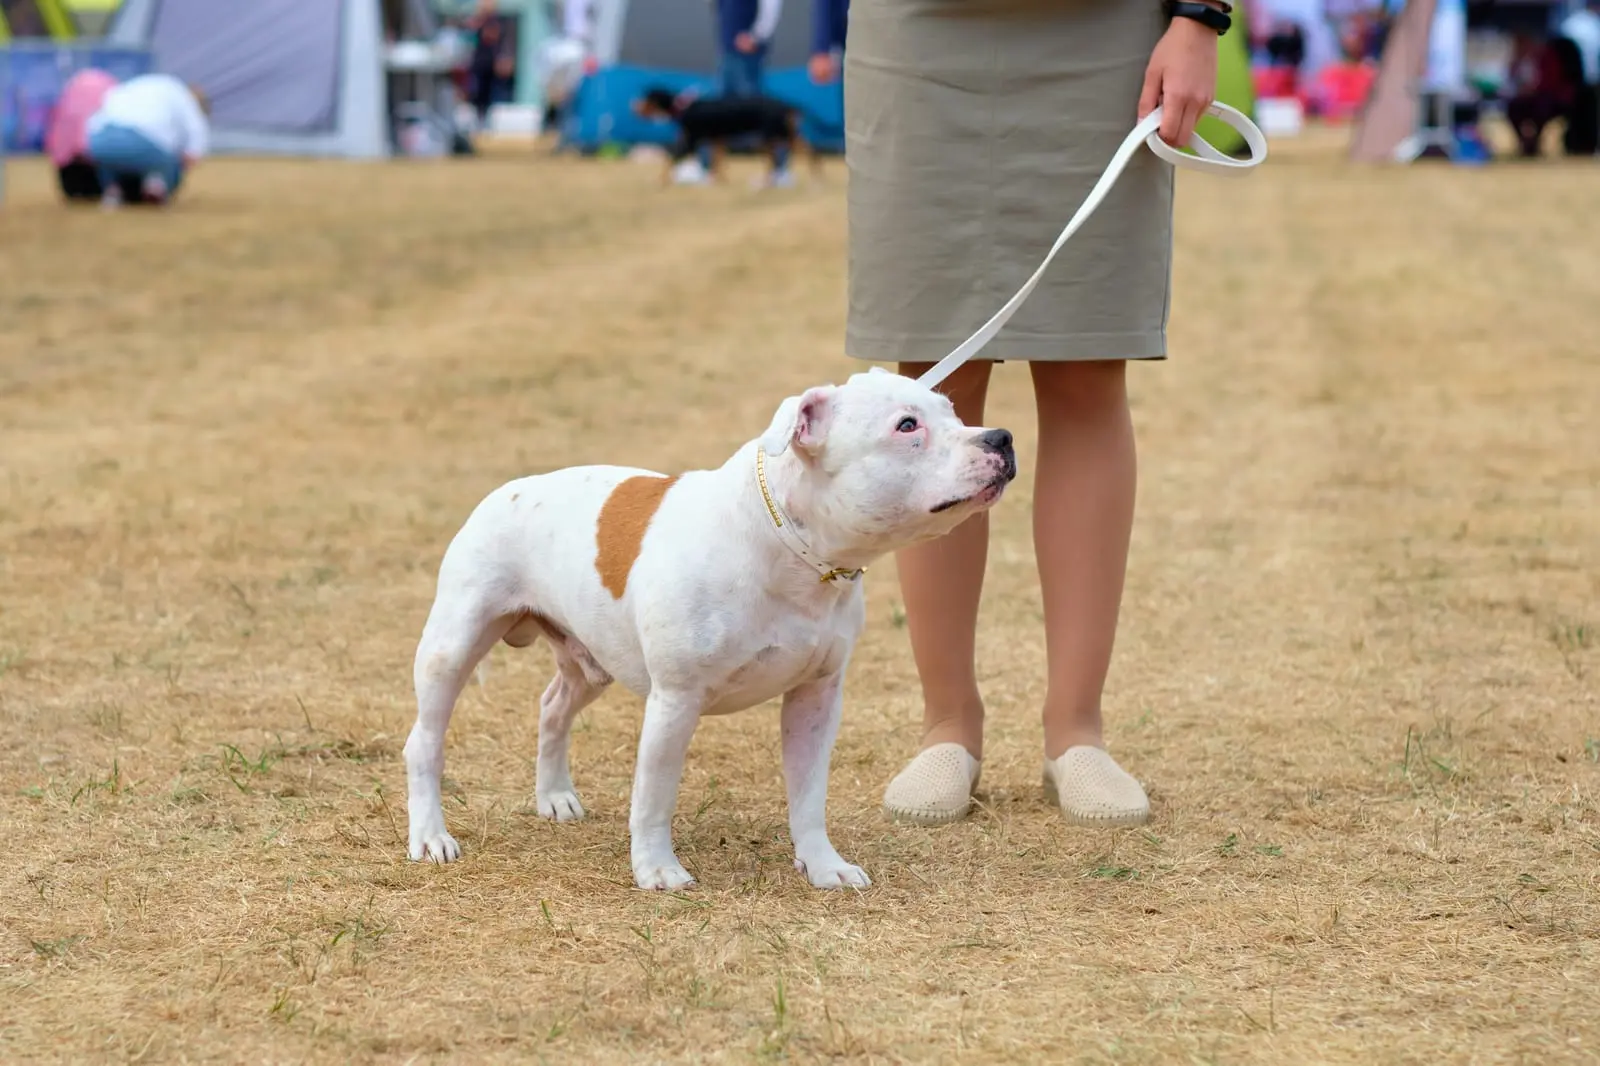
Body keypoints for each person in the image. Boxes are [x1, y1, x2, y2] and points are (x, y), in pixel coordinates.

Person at [843, 0, 1229, 827]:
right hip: (919, 35)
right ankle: (946, 726)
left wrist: (1201, 16)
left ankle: (1076, 732)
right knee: (933, 372)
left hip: (1106, 36)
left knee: (1088, 365)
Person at [84, 73, 210, 210]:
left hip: (99, 141)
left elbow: (94, 121)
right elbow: (196, 131)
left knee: (110, 157)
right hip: (144, 145)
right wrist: (190, 156)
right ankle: (155, 185)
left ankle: (112, 189)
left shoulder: (135, 85)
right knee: (167, 160)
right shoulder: (180, 93)